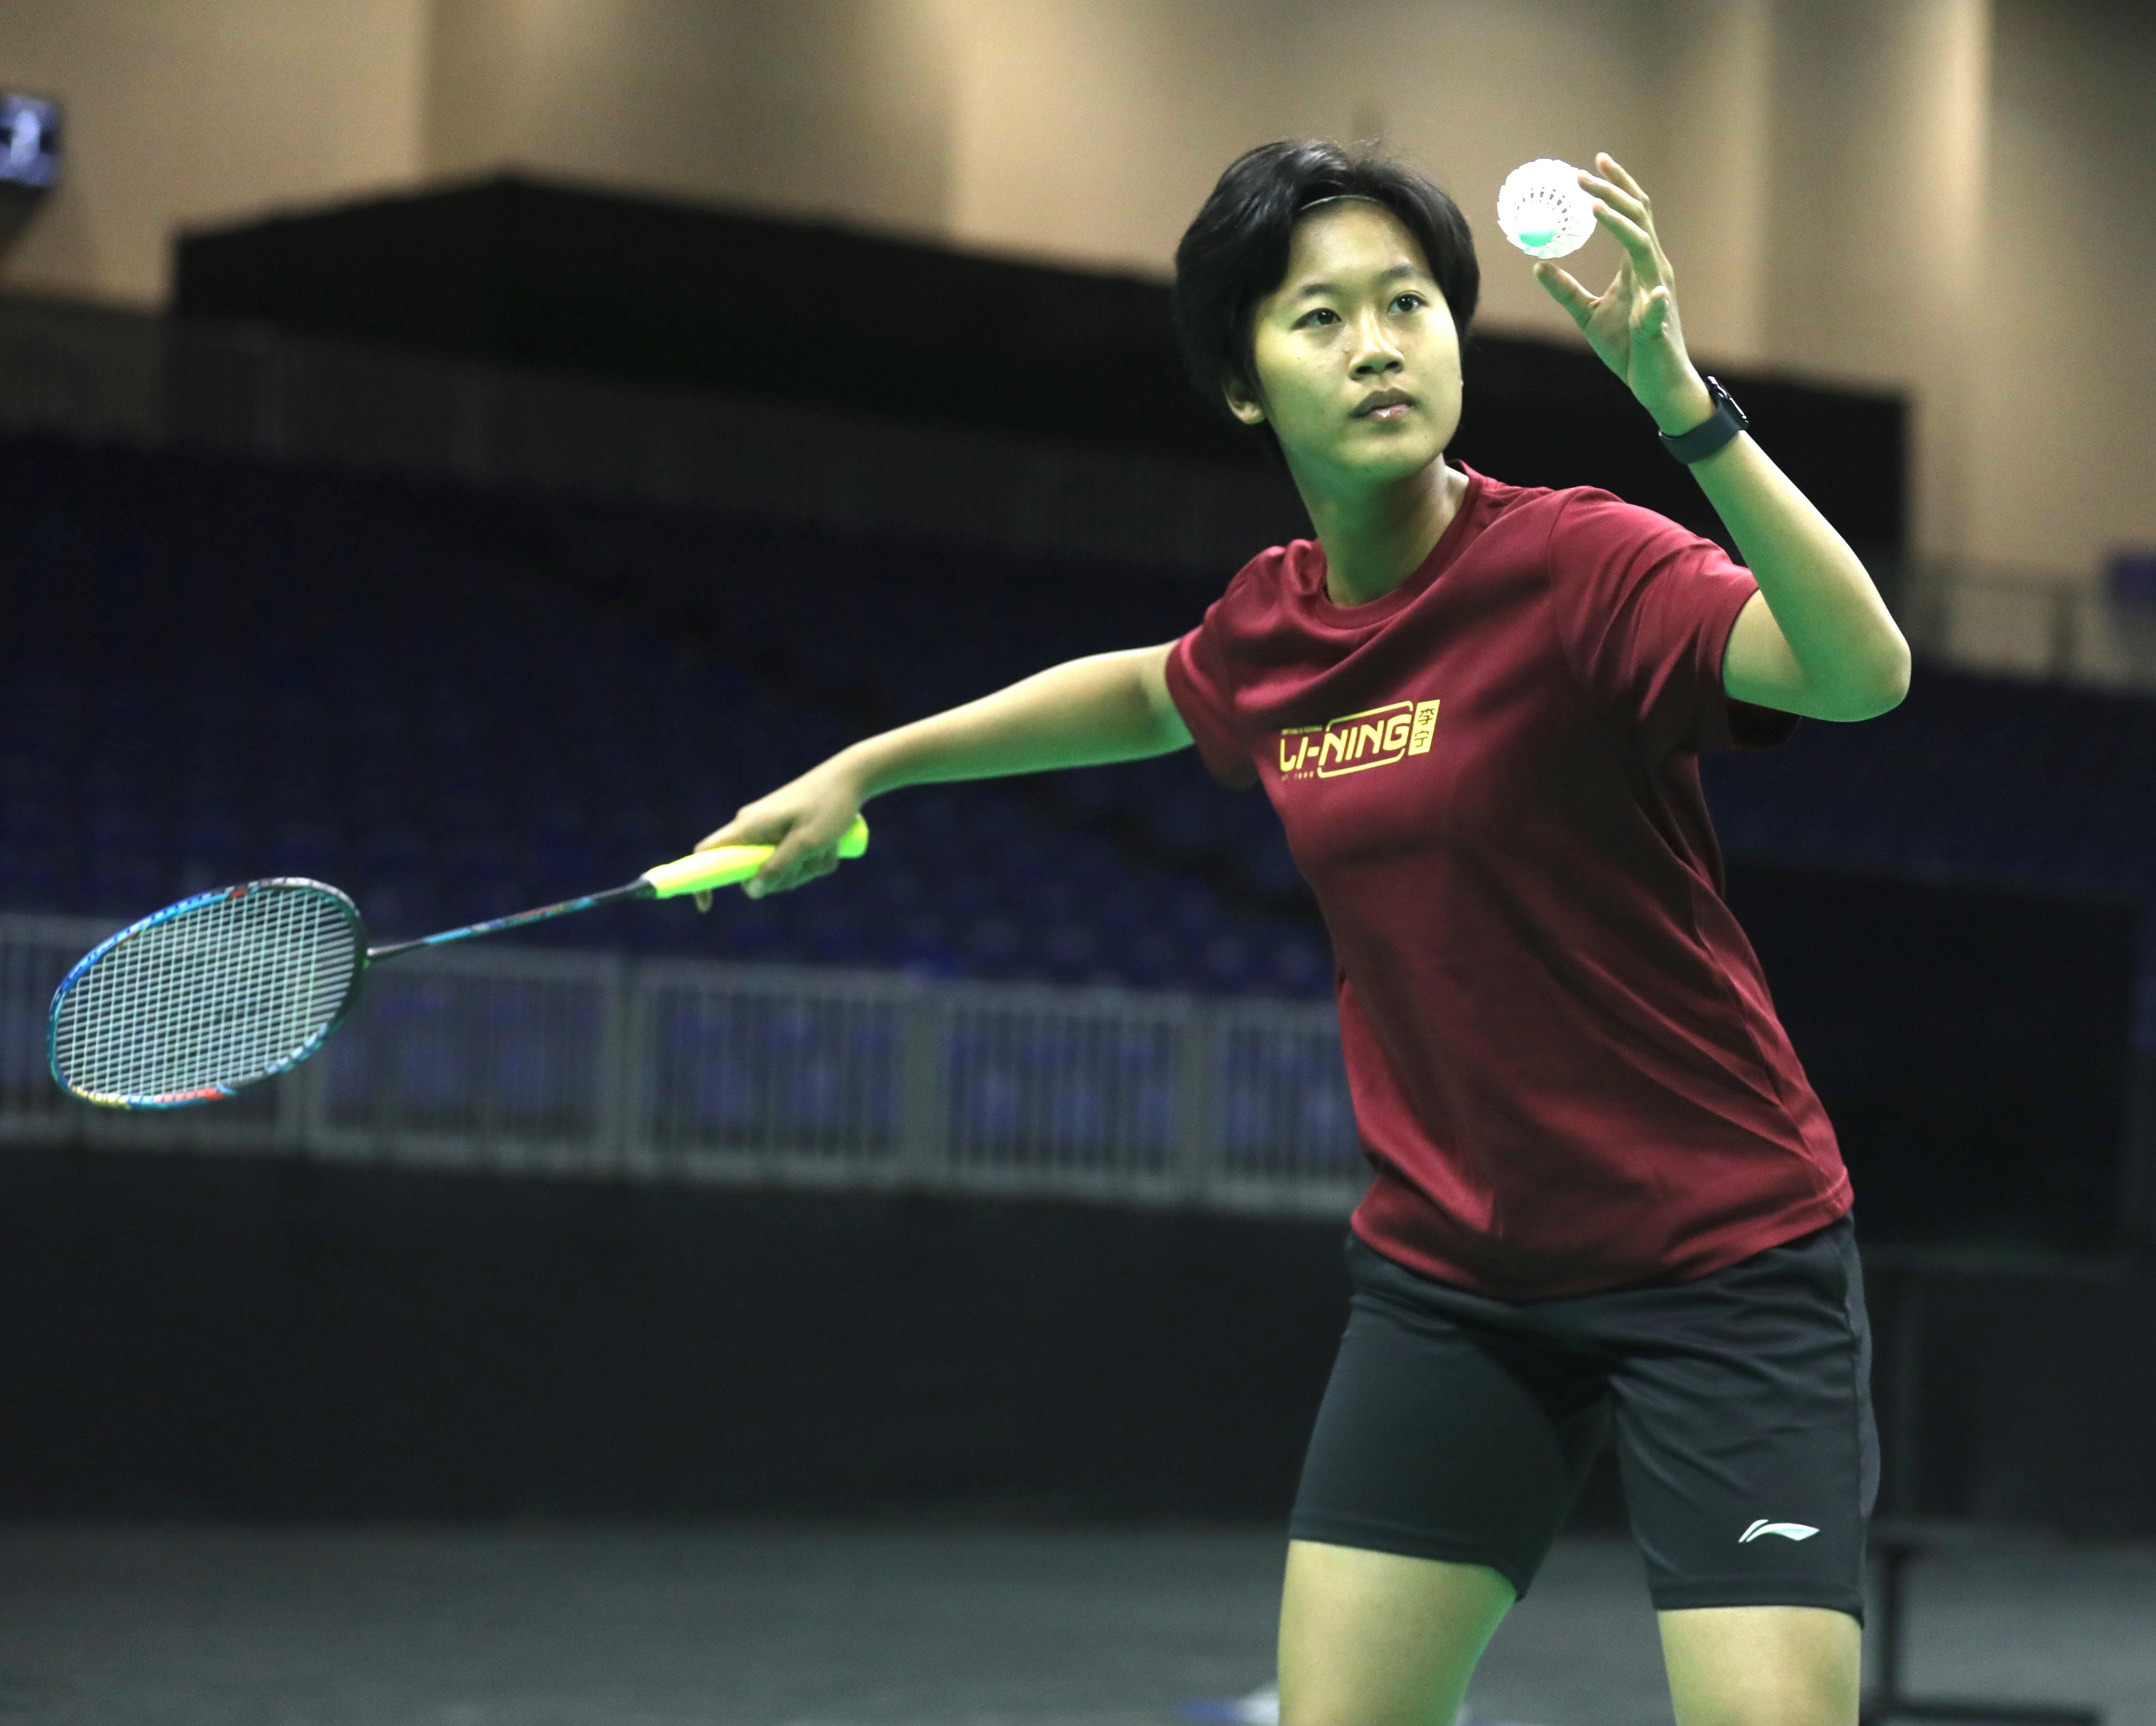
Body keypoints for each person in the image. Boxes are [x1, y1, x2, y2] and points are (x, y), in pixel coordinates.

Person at [700, 138, 1910, 1726]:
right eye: (1320, 317)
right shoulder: (1274, 628)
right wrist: (873, 764)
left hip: (1720, 1254)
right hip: (1457, 1278)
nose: (1378, 344)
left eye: (1408, 303)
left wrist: (1689, 408)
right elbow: (1150, 688)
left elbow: (1854, 672)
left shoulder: (1574, 562)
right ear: (1245, 387)